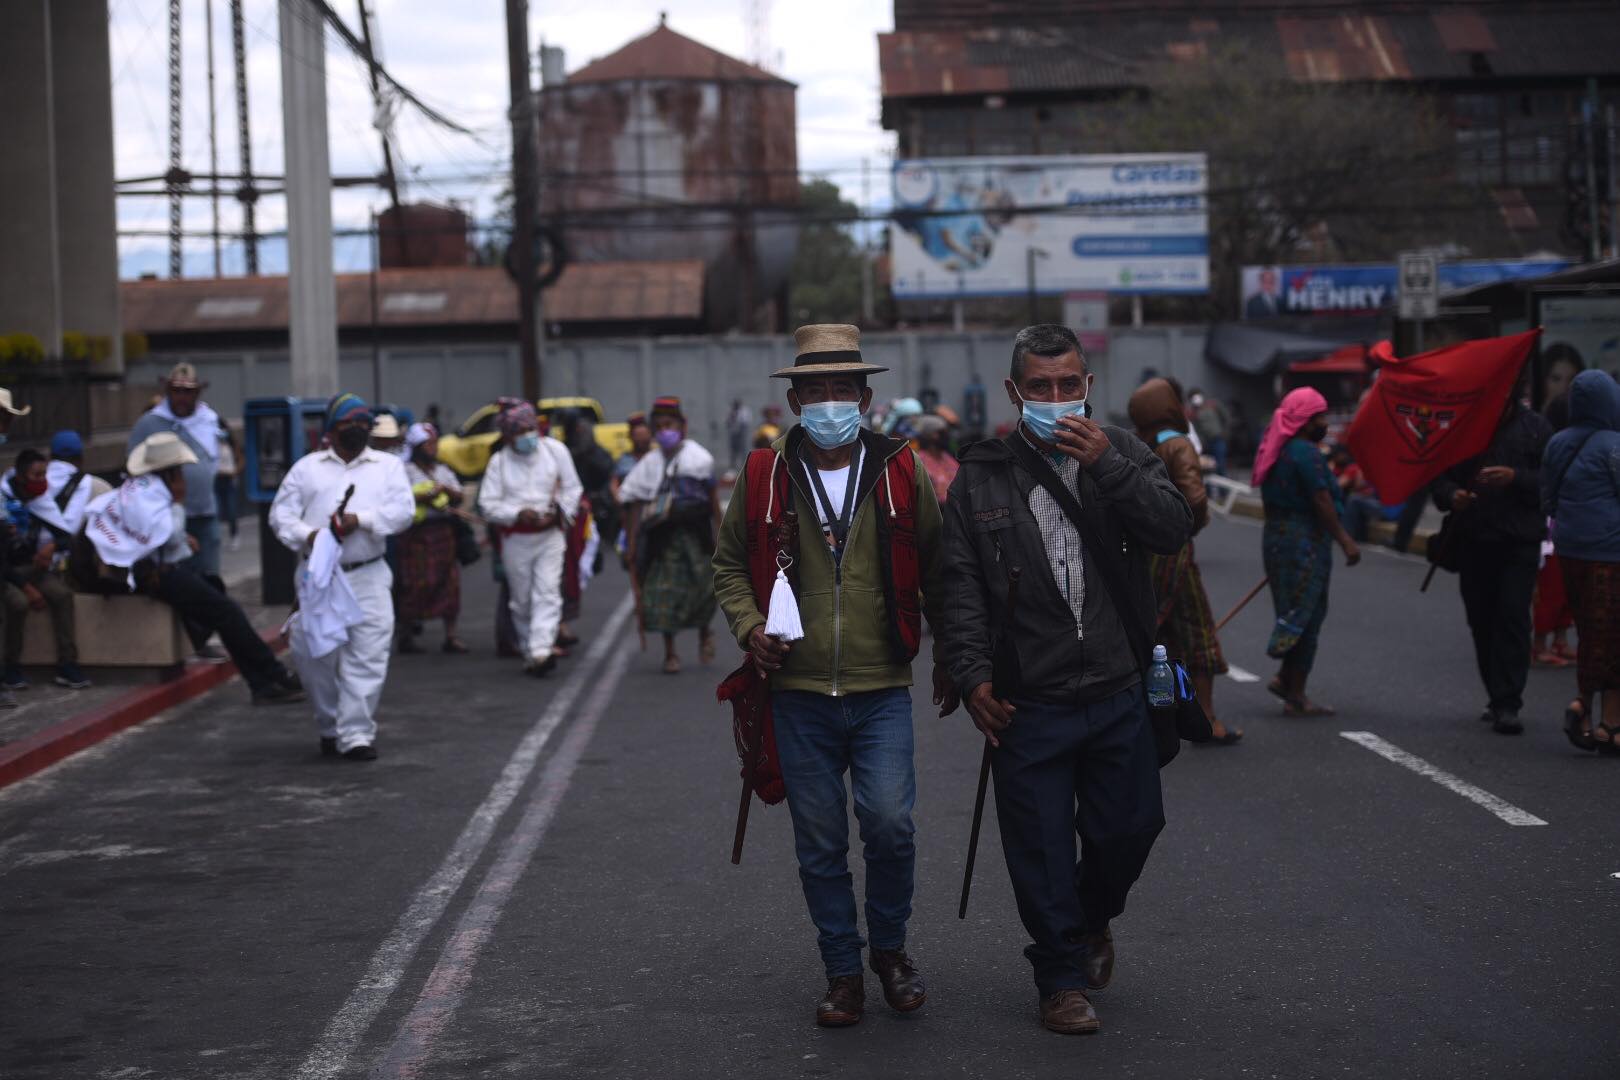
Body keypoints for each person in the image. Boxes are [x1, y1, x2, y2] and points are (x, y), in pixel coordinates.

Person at [937, 324, 1192, 1035]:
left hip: (1118, 688)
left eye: (1070, 385)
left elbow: (1174, 528)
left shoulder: (1126, 451)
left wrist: (1110, 465)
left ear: (1088, 386)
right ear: (1016, 394)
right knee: (1041, 847)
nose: (1057, 399)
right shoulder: (982, 473)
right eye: (1041, 389)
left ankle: (1090, 921)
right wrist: (970, 674)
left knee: (1131, 828)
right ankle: (1059, 977)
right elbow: (958, 584)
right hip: (1030, 700)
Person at [712, 323, 951, 1028]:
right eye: (812, 390)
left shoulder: (903, 469)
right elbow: (729, 566)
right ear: (793, 401)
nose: (826, 403)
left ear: (865, 396)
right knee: (819, 842)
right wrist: (749, 627)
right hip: (797, 692)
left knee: (889, 825)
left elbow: (940, 568)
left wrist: (966, 666)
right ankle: (843, 969)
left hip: (882, 687)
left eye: (839, 389)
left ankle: (892, 951)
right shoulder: (763, 475)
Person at [74, 433, 304, 706]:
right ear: (170, 471)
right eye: (180, 470)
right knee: (227, 612)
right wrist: (179, 505)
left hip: (155, 569)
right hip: (154, 575)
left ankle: (263, 679)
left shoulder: (140, 489)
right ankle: (271, 675)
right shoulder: (150, 493)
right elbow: (167, 535)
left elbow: (158, 537)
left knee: (217, 596)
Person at [270, 394, 415, 760]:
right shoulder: (307, 468)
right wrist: (310, 535)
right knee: (314, 653)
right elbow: (281, 517)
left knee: (368, 653)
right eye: (348, 423)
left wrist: (360, 520)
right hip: (319, 577)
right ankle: (329, 725)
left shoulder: (387, 466)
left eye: (362, 422)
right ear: (331, 429)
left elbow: (402, 513)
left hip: (368, 573)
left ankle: (355, 735)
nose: (356, 428)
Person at [1432, 384, 1550, 735]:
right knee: (1481, 620)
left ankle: (1508, 702)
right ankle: (1495, 693)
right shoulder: (1463, 428)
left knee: (1513, 617)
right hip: (1474, 539)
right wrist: (1453, 495)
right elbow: (1439, 478)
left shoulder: (1538, 430)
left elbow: (1554, 480)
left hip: (1519, 541)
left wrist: (1517, 479)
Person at [1129, 378, 1239, 744]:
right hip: (1175, 554)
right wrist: (1191, 526)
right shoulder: (1178, 446)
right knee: (1199, 631)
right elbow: (1195, 499)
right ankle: (1207, 719)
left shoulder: (1134, 446)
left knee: (1156, 631)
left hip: (1145, 555)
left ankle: (1158, 719)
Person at [1255, 389, 1360, 716]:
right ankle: (1296, 693)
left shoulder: (1277, 448)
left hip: (1276, 538)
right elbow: (1321, 501)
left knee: (1292, 610)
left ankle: (1286, 678)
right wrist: (1345, 540)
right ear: (1303, 420)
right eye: (1320, 417)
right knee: (1307, 615)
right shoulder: (1305, 452)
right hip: (1304, 542)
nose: (1325, 423)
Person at [1541, 370, 1620, 753]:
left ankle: (1596, 712)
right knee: (1612, 634)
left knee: (1591, 630)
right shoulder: (1614, 445)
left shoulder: (1557, 442)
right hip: (1610, 553)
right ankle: (1596, 714)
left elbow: (1547, 496)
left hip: (1569, 549)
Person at [128, 363, 227, 662]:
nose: (182, 397)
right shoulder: (150, 423)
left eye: (188, 391)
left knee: (209, 578)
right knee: (180, 581)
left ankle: (200, 639)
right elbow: (134, 467)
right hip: (166, 515)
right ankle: (185, 642)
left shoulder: (209, 419)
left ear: (197, 392)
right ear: (167, 391)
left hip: (205, 512)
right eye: (176, 391)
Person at [477, 401, 582, 677]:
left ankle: (541, 649)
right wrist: (517, 513)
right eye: (521, 431)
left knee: (547, 592)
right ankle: (529, 648)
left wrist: (559, 511)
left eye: (531, 428)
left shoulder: (555, 451)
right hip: (516, 540)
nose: (528, 435)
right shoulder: (499, 462)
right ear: (509, 435)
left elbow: (572, 488)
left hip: (551, 535)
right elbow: (488, 504)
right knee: (521, 599)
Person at [620, 396, 719, 674]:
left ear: (682, 426)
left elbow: (713, 501)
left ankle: (704, 632)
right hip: (662, 540)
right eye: (660, 426)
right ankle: (670, 653)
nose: (665, 430)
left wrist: (720, 536)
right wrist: (630, 542)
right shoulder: (648, 465)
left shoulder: (699, 458)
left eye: (670, 424)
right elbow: (634, 504)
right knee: (663, 594)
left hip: (696, 536)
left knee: (703, 588)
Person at [0, 450, 89, 695]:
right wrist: (28, 589)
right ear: (20, 476)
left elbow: (64, 536)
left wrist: (51, 547)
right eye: (36, 475)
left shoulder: (40, 499)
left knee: (62, 595)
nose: (42, 481)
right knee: (18, 604)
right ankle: (11, 667)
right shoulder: (4, 501)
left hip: (33, 568)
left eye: (44, 474)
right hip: (7, 573)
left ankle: (67, 664)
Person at [397, 422, 467, 655]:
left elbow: (458, 495)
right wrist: (424, 496)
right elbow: (399, 499)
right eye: (428, 443)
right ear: (416, 447)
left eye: (435, 442)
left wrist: (446, 491)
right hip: (418, 535)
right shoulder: (405, 472)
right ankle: (406, 633)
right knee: (417, 584)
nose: (433, 447)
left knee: (450, 583)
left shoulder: (443, 470)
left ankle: (451, 635)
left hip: (443, 533)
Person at [914, 414, 959, 504]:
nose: (946, 436)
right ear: (929, 435)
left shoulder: (948, 458)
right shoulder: (920, 462)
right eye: (941, 432)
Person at [215, 418, 243, 552]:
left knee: (231, 511)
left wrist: (235, 472)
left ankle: (234, 535)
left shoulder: (231, 444)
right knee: (217, 510)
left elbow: (241, 459)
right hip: (217, 479)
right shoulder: (213, 444)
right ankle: (217, 537)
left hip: (229, 480)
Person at [1189, 389, 1231, 476]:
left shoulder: (1213, 404)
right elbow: (1195, 429)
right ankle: (1210, 489)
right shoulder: (1193, 412)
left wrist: (1225, 431)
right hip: (1205, 443)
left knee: (1221, 465)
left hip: (1218, 439)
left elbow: (1226, 417)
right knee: (1207, 467)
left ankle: (1224, 488)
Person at [725, 398, 754, 470]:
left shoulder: (744, 410)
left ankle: (744, 465)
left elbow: (747, 421)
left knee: (743, 449)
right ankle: (733, 466)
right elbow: (727, 422)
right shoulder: (731, 410)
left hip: (742, 433)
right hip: (733, 433)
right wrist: (732, 416)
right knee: (733, 450)